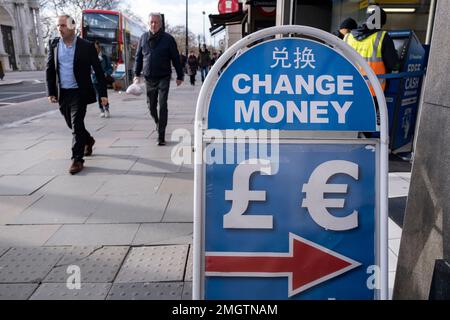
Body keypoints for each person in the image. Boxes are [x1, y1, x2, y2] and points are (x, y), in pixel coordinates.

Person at [46, 15, 108, 174]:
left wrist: (103, 94)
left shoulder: (86, 46)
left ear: (72, 27)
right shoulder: (54, 44)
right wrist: (51, 91)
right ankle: (88, 140)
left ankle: (77, 159)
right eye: (58, 26)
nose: (60, 29)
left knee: (76, 124)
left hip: (80, 92)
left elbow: (99, 71)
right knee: (72, 124)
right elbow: (50, 69)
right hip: (63, 93)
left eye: (63, 26)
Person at [134, 12, 184, 146]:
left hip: (164, 77)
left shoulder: (168, 39)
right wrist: (136, 74)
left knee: (162, 105)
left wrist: (180, 75)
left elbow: (175, 58)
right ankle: (157, 122)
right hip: (149, 78)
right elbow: (138, 57)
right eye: (151, 22)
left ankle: (161, 135)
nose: (154, 24)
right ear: (148, 23)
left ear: (160, 23)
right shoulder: (143, 38)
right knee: (151, 106)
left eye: (156, 22)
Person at [344, 6, 399, 97]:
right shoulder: (382, 37)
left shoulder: (348, 37)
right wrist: (398, 64)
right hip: (373, 90)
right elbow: (393, 64)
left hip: (349, 87)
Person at [92, 41, 113, 118]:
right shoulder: (91, 57)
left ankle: (106, 109)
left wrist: (106, 73)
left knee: (103, 94)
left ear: (99, 48)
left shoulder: (104, 57)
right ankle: (101, 110)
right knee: (98, 95)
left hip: (103, 79)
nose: (95, 50)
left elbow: (110, 68)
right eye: (94, 48)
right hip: (94, 79)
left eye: (96, 48)